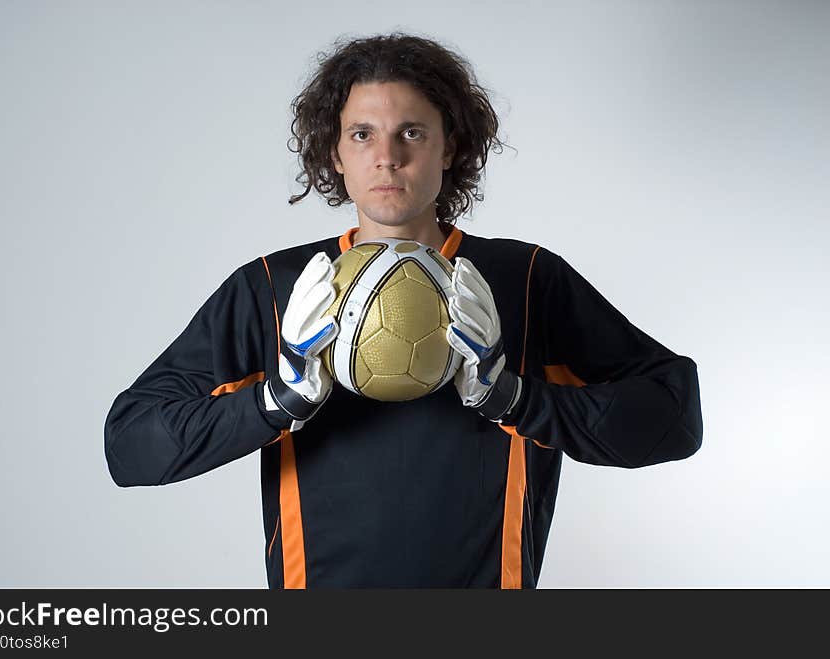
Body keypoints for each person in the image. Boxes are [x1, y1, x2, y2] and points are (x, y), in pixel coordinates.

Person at [104, 32, 703, 588]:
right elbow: (130, 446)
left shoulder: (523, 280)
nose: (386, 157)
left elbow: (675, 417)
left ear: (450, 148)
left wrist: (517, 400)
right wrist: (274, 404)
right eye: (362, 134)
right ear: (334, 154)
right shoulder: (277, 287)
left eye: (412, 132)